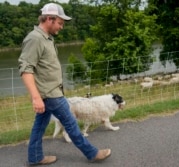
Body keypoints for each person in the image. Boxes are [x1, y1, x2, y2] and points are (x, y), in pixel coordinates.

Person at [18, 3, 111, 166]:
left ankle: (35, 157)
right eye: (60, 23)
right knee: (71, 124)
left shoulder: (47, 38)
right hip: (51, 95)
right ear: (49, 19)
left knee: (39, 127)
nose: (61, 27)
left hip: (49, 93)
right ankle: (92, 153)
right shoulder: (35, 39)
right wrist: (35, 98)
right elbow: (26, 69)